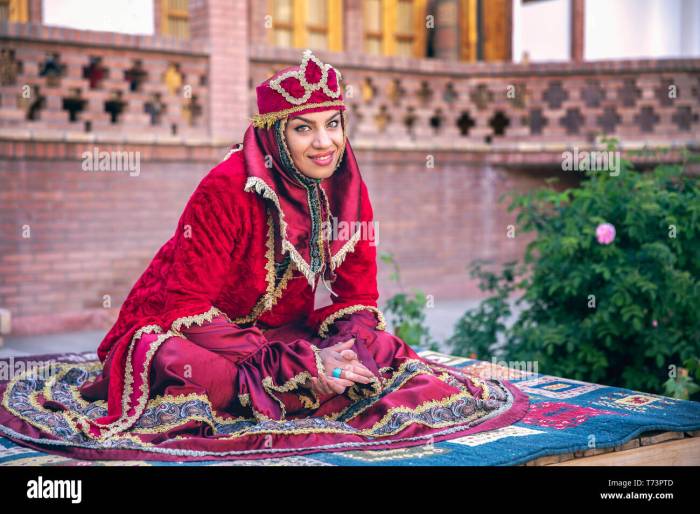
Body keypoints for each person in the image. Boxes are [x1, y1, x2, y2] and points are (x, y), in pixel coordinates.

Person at [0, 49, 529, 462]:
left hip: (273, 334)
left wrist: (344, 349)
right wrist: (300, 362)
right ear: (275, 132)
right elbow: (185, 308)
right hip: (182, 330)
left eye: (333, 123)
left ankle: (299, 381)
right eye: (304, 127)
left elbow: (359, 295)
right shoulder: (227, 187)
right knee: (170, 359)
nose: (325, 143)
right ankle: (290, 383)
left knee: (379, 347)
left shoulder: (343, 185)